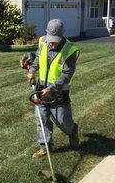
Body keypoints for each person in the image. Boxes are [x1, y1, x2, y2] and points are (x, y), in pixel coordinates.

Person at [26, 19, 80, 158]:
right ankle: (45, 146)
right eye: (51, 39)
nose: (52, 42)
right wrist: (32, 70)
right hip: (40, 90)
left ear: (62, 35)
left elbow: (67, 73)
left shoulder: (70, 50)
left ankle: (72, 132)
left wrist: (52, 88)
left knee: (63, 121)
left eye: (55, 40)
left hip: (59, 92)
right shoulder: (43, 41)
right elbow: (38, 58)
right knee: (41, 119)